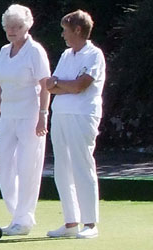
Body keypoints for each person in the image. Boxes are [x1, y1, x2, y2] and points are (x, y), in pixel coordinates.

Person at [0, 4, 52, 236]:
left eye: (17, 26)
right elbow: (0, 84)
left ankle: (24, 219)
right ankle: (17, 214)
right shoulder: (4, 51)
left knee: (28, 166)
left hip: (30, 116)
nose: (12, 31)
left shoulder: (35, 51)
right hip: (8, 115)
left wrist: (43, 117)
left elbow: (45, 85)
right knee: (2, 164)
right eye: (8, 27)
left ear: (27, 26)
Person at [44, 10, 106, 239]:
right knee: (62, 168)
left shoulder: (94, 55)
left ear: (78, 30)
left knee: (82, 165)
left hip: (83, 116)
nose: (63, 35)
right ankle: (70, 222)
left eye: (65, 31)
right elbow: (51, 86)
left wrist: (61, 83)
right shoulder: (66, 55)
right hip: (60, 114)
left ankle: (90, 224)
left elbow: (81, 85)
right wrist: (61, 84)